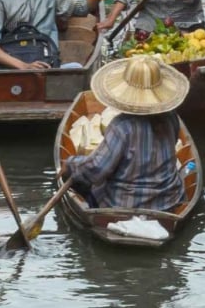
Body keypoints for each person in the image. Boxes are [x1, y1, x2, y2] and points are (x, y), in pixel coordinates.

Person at [63, 56, 189, 211]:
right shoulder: (171, 117)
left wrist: (70, 165)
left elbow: (97, 168)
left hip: (125, 204)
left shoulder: (121, 126)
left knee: (82, 179)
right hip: (169, 200)